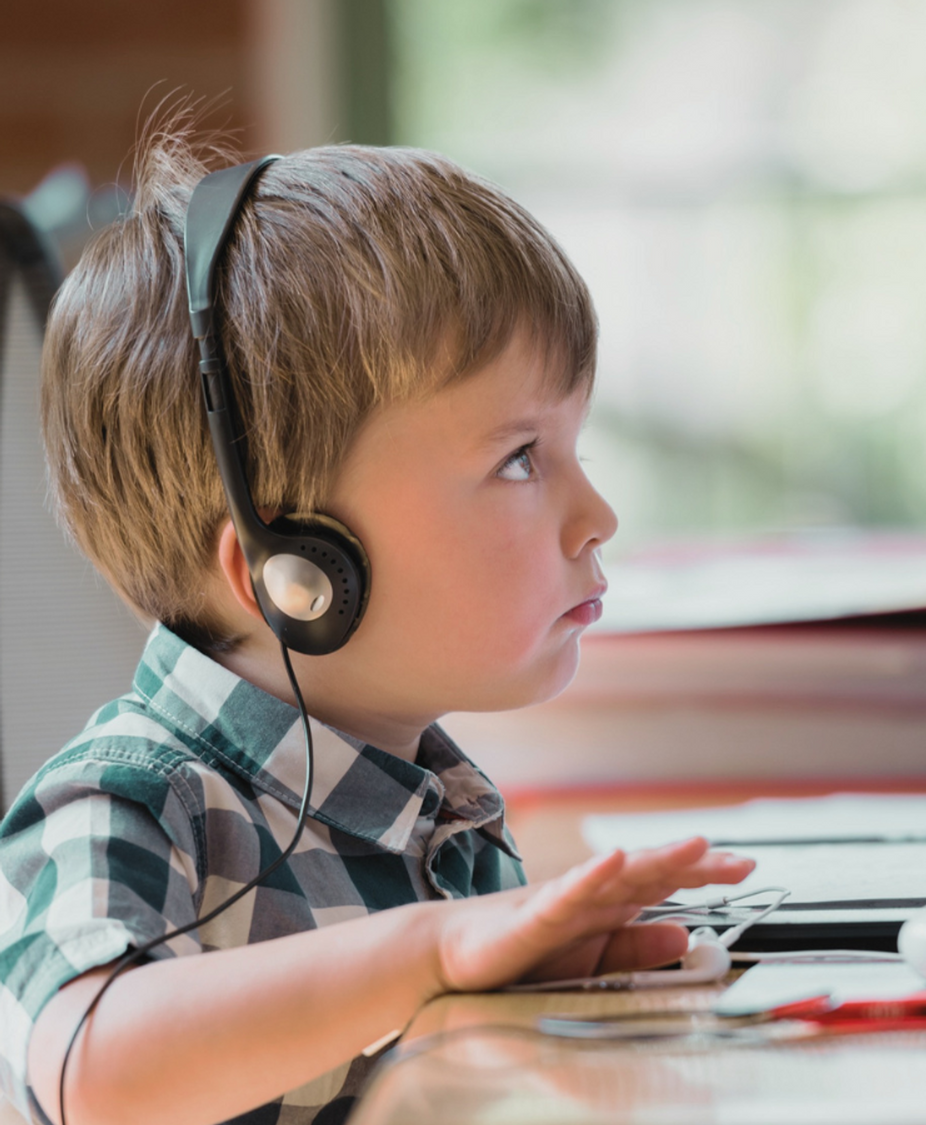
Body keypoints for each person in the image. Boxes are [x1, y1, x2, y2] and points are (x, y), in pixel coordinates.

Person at [0, 127, 753, 1125]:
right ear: (294, 569)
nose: (598, 517)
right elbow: (91, 1068)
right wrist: (434, 954)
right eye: (523, 458)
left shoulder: (433, 809)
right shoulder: (132, 800)